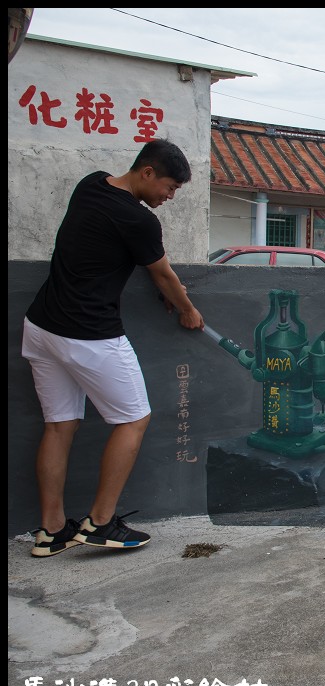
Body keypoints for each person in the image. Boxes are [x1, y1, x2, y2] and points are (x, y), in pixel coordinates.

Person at [21, 139, 205, 557]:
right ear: (147, 172)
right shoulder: (139, 222)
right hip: (88, 334)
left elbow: (100, 247)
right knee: (133, 419)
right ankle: (101, 521)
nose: (170, 197)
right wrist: (188, 311)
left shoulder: (90, 185)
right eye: (170, 187)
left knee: (59, 425)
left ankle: (51, 531)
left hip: (41, 326)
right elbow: (163, 275)